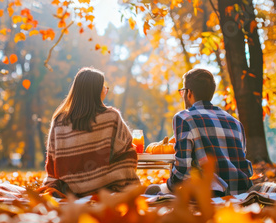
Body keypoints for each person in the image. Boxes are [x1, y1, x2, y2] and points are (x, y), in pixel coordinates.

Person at [152, 68, 254, 196]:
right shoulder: (235, 122)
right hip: (241, 194)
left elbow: (182, 171)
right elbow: (242, 162)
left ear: (189, 93)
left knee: (152, 191)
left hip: (208, 195)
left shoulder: (184, 118)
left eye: (182, 92)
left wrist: (168, 187)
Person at [42, 67, 140, 197]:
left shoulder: (59, 120)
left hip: (68, 192)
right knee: (154, 189)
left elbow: (52, 160)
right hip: (106, 189)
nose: (105, 90)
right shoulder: (111, 117)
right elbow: (126, 149)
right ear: (96, 91)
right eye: (103, 87)